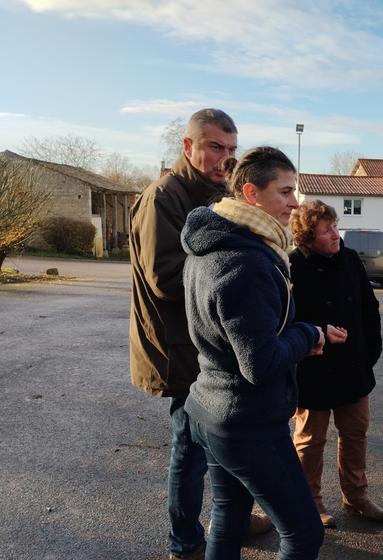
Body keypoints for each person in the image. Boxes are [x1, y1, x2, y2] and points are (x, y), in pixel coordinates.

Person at [129, 109, 270, 560]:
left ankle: (234, 518)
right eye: (215, 147)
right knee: (189, 452)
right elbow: (165, 277)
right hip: (180, 351)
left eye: (231, 149)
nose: (225, 159)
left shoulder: (216, 194)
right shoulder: (163, 198)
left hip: (209, 348)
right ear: (188, 146)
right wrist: (232, 277)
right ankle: (184, 541)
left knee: (221, 444)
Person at [181, 147, 327, 560]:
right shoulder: (245, 261)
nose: (295, 202)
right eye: (285, 192)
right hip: (248, 422)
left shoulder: (211, 244)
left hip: (209, 409)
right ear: (251, 193)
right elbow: (259, 365)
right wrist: (307, 333)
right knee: (304, 535)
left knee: (228, 519)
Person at [288, 199, 383, 530]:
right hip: (312, 368)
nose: (335, 234)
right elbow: (284, 318)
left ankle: (355, 496)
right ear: (307, 236)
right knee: (310, 440)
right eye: (327, 229)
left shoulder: (349, 259)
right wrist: (318, 331)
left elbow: (368, 306)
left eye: (335, 226)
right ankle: (308, 502)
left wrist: (371, 350)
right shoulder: (293, 265)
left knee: (356, 433)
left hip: (353, 367)